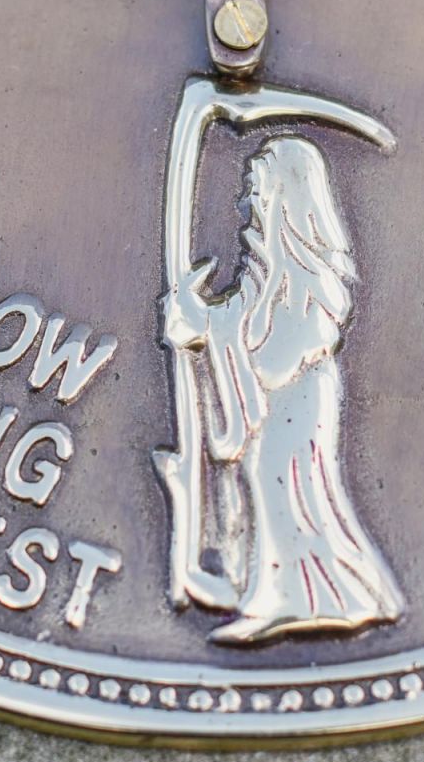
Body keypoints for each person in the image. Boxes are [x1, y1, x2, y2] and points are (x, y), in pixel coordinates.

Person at [163, 134, 404, 644]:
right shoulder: (262, 272)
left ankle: (304, 601)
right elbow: (242, 319)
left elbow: (279, 355)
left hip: (296, 406)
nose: (244, 202)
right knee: (267, 485)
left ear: (282, 199)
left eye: (254, 190)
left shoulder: (312, 275)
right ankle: (276, 594)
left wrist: (215, 335)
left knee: (292, 494)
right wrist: (197, 321)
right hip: (274, 405)